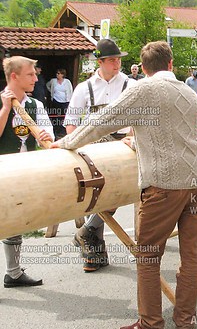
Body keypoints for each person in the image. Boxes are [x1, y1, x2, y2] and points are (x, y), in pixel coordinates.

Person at [53, 41, 197, 329]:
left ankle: (151, 322)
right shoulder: (189, 92)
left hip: (166, 184)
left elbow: (101, 122)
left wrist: (65, 143)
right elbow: (177, 132)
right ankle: (185, 320)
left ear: (146, 68)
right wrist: (140, 140)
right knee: (191, 255)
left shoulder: (143, 89)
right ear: (171, 63)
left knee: (148, 255)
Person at [64, 38, 138, 272]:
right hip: (94, 146)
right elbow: (71, 123)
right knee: (97, 193)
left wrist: (133, 135)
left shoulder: (131, 84)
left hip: (123, 144)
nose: (117, 64)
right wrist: (78, 148)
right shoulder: (84, 88)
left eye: (119, 59)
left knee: (115, 191)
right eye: (113, 60)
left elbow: (141, 116)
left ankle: (86, 233)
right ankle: (94, 254)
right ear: (100, 62)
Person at [1, 56, 54, 288]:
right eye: (30, 74)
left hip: (24, 172)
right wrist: (5, 108)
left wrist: (45, 139)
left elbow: (47, 138)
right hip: (3, 170)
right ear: (14, 76)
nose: (36, 78)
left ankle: (13, 273)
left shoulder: (35, 106)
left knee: (15, 221)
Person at [46, 68, 73, 139]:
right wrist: (52, 93)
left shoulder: (67, 82)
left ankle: (63, 131)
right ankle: (56, 131)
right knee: (56, 116)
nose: (57, 75)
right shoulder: (53, 81)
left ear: (62, 75)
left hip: (65, 102)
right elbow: (47, 85)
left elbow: (70, 90)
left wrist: (70, 100)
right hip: (56, 101)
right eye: (57, 73)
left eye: (59, 73)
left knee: (63, 116)